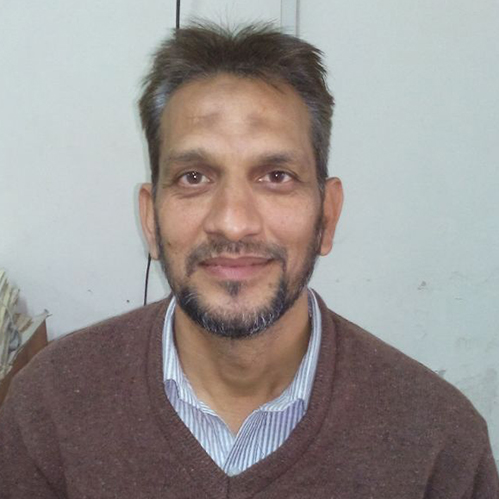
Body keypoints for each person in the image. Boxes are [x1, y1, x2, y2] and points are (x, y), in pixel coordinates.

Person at [0, 22, 497, 499]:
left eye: (276, 176)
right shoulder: (49, 405)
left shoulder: (439, 444)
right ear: (150, 220)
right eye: (194, 177)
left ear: (327, 215)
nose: (233, 223)